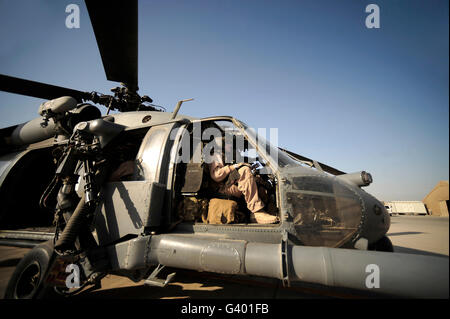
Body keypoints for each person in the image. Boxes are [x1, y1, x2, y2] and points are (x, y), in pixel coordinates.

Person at [207, 137, 278, 224]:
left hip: (231, 185)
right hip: (223, 188)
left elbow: (246, 161)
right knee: (244, 170)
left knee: (259, 181)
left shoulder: (231, 155)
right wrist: (235, 166)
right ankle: (256, 211)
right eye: (228, 143)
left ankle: (270, 212)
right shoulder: (216, 155)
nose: (231, 145)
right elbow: (216, 175)